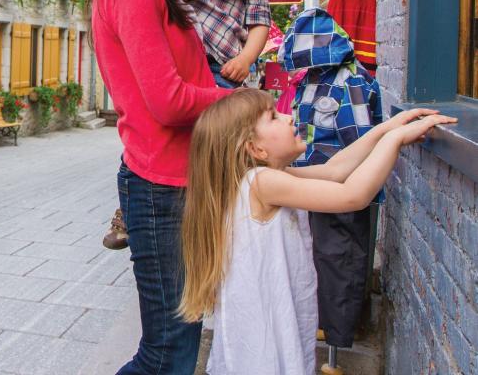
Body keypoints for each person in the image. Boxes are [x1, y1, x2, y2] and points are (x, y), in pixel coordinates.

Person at [178, 89, 455, 374]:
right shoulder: (262, 183)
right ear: (256, 149)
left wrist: (388, 128)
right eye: (273, 117)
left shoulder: (265, 180)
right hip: (262, 350)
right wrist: (395, 140)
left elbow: (336, 170)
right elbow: (352, 195)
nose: (287, 117)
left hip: (265, 339)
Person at [90, 0, 231, 375]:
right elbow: (168, 101)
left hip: (178, 180)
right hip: (159, 186)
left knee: (177, 342)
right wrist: (241, 100)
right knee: (168, 351)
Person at [102, 0, 270, 247]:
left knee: (229, 139)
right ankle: (129, 206)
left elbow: (260, 23)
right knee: (174, 139)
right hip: (192, 66)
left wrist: (245, 59)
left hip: (226, 69)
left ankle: (240, 198)